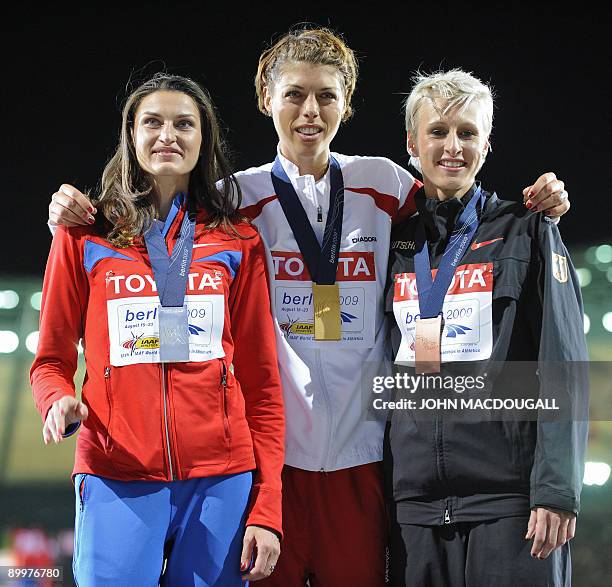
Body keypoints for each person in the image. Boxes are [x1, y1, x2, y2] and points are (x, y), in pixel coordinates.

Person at [47, 28, 571, 586]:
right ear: (266, 100)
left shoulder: (385, 184)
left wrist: (536, 212)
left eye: (326, 95)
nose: (310, 111)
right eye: (294, 94)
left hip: (366, 454)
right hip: (272, 463)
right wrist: (70, 217)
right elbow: (149, 233)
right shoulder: (235, 201)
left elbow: (458, 210)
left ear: (347, 104)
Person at [31, 73, 285, 586]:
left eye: (183, 124)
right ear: (131, 136)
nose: (167, 134)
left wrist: (267, 507)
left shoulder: (238, 240)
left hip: (221, 477)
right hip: (115, 469)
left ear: (202, 140)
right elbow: (51, 361)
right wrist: (57, 399)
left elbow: (261, 382)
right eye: (152, 122)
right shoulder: (84, 234)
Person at [385, 69, 589, 586]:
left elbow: (565, 365)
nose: (452, 146)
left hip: (511, 508)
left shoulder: (527, 229)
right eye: (438, 132)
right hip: (414, 510)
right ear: (413, 141)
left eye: (467, 133)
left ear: (487, 144)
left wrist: (557, 490)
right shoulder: (393, 243)